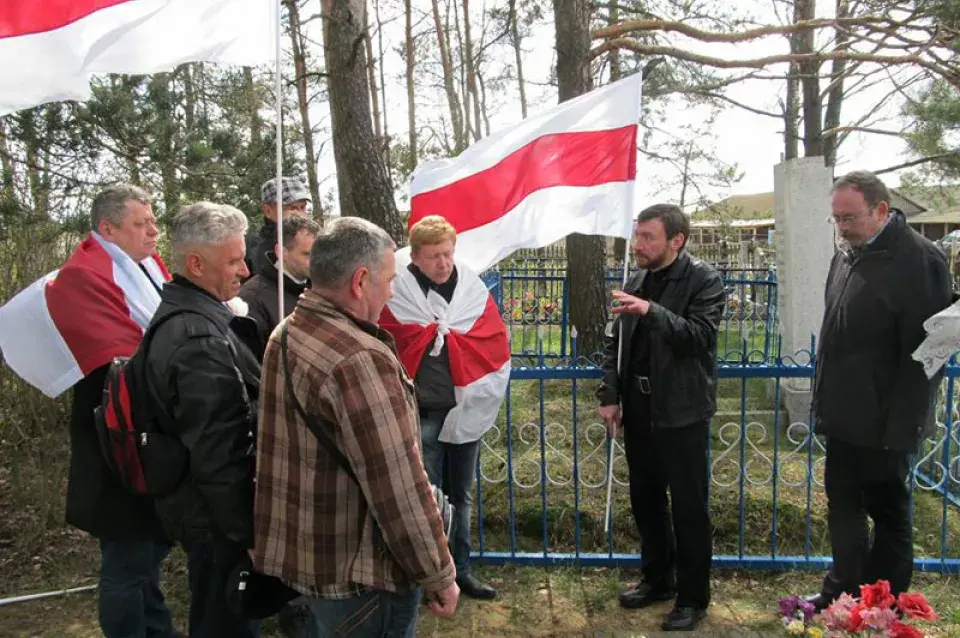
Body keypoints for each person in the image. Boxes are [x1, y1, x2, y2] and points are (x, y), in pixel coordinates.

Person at [253, 216, 459, 637]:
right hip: (362, 577)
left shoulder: (287, 332)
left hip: (310, 558)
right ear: (360, 281)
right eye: (389, 279)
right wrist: (439, 574)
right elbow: (398, 487)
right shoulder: (360, 360)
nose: (393, 290)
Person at [804, 171, 952, 610]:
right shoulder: (847, 255)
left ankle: (882, 600)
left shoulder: (920, 260)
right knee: (843, 507)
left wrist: (903, 423)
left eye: (849, 218)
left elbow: (929, 353)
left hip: (887, 418)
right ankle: (843, 590)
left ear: (881, 210)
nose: (842, 228)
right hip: (843, 413)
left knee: (888, 513)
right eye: (836, 219)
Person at [57, 184, 178, 638]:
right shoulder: (85, 276)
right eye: (141, 224)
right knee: (127, 556)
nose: (153, 231)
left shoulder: (144, 265)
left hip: (147, 433)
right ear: (107, 228)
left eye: (153, 221)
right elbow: (118, 354)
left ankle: (157, 629)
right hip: (113, 437)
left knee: (148, 551)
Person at [597, 204, 724, 632]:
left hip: (682, 412)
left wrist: (651, 311)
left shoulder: (703, 280)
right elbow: (613, 344)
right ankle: (657, 579)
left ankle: (692, 598)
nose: (638, 245)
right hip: (638, 408)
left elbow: (699, 338)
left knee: (689, 508)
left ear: (677, 240)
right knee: (646, 500)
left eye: (648, 237)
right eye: (637, 236)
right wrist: (610, 395)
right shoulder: (634, 278)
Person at [143, 202, 261, 638]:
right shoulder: (197, 338)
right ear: (196, 263)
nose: (245, 271)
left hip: (209, 513)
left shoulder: (198, 318)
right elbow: (220, 451)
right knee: (224, 621)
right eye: (233, 260)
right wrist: (248, 530)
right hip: (217, 520)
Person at [378, 215, 510, 601]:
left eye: (448, 253)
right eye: (434, 255)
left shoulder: (469, 286)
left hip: (465, 411)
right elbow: (389, 341)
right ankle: (431, 577)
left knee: (461, 495)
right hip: (422, 412)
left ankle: (462, 570)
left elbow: (491, 339)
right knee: (427, 497)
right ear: (414, 257)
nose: (443, 262)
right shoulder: (397, 289)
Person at [239, 215, 320, 360]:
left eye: (318, 254)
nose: (316, 262)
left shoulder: (322, 289)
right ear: (281, 252)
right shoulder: (251, 298)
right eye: (307, 254)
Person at [246, 176, 312, 276]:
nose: (300, 214)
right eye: (292, 208)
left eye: (302, 207)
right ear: (267, 210)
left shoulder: (314, 243)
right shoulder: (252, 248)